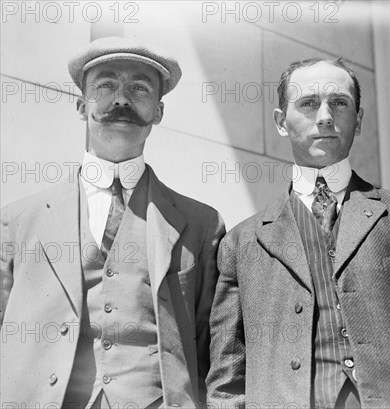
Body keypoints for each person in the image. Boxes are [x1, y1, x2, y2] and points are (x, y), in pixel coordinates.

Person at [206, 57, 390, 408]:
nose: (325, 116)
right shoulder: (241, 242)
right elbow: (227, 379)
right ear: (281, 122)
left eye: (339, 103)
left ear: (358, 120)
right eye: (308, 103)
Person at [0, 37, 225, 408]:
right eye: (105, 86)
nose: (122, 100)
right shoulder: (17, 221)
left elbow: (214, 349)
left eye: (139, 88)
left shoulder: (203, 225)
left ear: (158, 111)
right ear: (80, 105)